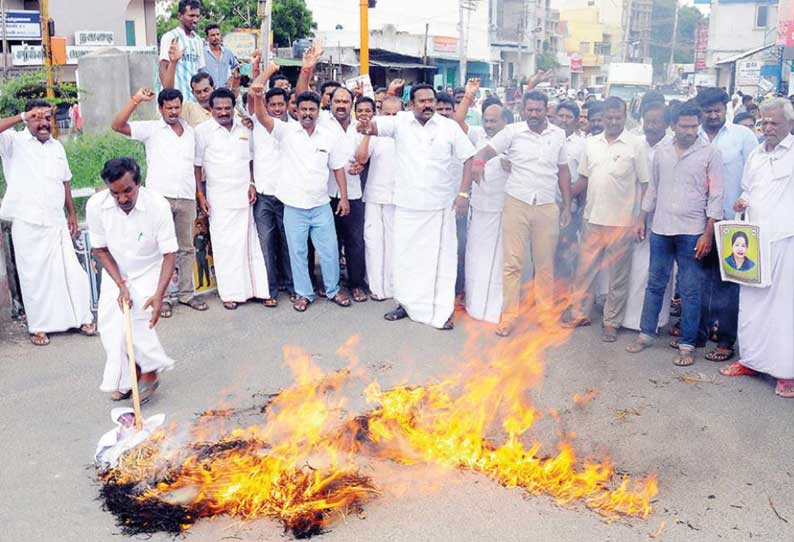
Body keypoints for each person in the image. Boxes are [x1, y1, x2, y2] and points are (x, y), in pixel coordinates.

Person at [356, 84, 476, 330]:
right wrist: (365, 126)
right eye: (421, 101)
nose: (427, 105)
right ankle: (406, 304)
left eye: (430, 100)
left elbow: (469, 158)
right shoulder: (400, 122)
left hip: (439, 206)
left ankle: (441, 312)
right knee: (406, 259)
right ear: (411, 105)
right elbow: (374, 126)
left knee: (439, 261)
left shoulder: (449, 127)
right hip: (407, 205)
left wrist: (463, 192)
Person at [627, 101, 724, 367]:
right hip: (661, 229)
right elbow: (653, 189)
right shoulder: (662, 151)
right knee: (655, 284)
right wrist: (641, 219)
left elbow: (716, 196)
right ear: (673, 126)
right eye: (684, 126)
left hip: (693, 233)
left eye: (694, 126)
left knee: (691, 290)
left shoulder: (710, 153)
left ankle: (687, 344)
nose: (690, 131)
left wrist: (708, 234)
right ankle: (646, 334)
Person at [470, 90, 571, 337]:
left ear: (547, 109)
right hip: (517, 204)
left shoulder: (558, 135)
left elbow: (564, 171)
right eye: (530, 110)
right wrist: (479, 163)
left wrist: (567, 205)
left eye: (538, 110)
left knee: (545, 265)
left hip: (547, 206)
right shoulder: (513, 132)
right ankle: (509, 317)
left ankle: (545, 316)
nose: (534, 114)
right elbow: (485, 151)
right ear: (524, 110)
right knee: (512, 264)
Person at [250, 68, 352, 311]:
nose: (307, 113)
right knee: (297, 253)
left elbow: (337, 169)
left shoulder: (328, 136)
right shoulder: (286, 132)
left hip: (320, 205)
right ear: (296, 111)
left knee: (328, 252)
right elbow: (263, 117)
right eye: (303, 109)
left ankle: (333, 290)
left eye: (312, 109)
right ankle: (304, 294)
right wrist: (256, 95)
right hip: (293, 206)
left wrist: (344, 198)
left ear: (318, 112)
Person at [0, 99, 95, 346]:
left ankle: (81, 318)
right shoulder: (13, 141)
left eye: (47, 118)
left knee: (71, 273)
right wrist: (23, 116)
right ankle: (39, 327)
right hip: (27, 221)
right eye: (37, 118)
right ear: (28, 119)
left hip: (56, 221)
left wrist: (72, 213)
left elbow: (65, 181)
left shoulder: (56, 148)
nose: (43, 123)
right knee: (35, 278)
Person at [111, 87, 209, 318]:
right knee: (158, 250)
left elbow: (196, 167)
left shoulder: (191, 132)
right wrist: (135, 100)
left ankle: (187, 293)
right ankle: (161, 298)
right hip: (159, 198)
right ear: (161, 108)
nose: (174, 111)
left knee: (186, 248)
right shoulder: (152, 129)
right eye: (169, 108)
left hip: (185, 197)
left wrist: (199, 194)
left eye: (177, 107)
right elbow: (117, 125)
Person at [86, 158, 177, 403]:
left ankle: (149, 373)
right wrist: (120, 285)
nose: (123, 198)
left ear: (138, 183)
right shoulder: (96, 205)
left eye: (128, 191)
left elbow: (169, 253)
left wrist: (159, 295)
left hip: (149, 267)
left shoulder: (158, 205)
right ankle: (128, 379)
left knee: (137, 314)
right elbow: (100, 249)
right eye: (116, 193)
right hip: (115, 270)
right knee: (111, 328)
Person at [721, 97, 794, 398]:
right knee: (749, 304)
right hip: (752, 242)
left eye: (775, 122)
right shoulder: (755, 155)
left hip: (785, 241)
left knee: (783, 309)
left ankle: (785, 373)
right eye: (764, 122)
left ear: (789, 123)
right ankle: (750, 360)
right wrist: (742, 202)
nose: (768, 127)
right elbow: (748, 190)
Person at [563, 97, 649, 342]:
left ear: (624, 117)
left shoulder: (635, 145)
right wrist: (565, 201)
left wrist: (640, 218)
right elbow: (583, 180)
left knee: (618, 276)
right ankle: (579, 313)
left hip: (622, 223)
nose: (613, 122)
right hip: (592, 219)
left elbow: (645, 185)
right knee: (584, 270)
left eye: (617, 118)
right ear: (603, 117)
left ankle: (612, 322)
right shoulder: (591, 144)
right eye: (609, 117)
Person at [693, 87, 758, 362]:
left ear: (725, 109)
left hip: (733, 223)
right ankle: (699, 332)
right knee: (700, 279)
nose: (713, 115)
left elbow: (755, 174)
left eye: (717, 110)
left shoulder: (743, 137)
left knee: (729, 282)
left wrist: (746, 203)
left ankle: (726, 341)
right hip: (698, 221)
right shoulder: (690, 135)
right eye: (707, 111)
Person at [194, 88, 270, 310]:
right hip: (218, 197)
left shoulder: (244, 127)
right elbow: (197, 167)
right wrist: (200, 194)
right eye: (219, 108)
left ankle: (257, 290)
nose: (224, 112)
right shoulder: (202, 131)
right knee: (224, 246)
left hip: (244, 195)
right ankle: (230, 293)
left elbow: (251, 160)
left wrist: (252, 183)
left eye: (227, 108)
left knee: (249, 244)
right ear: (211, 109)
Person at [622, 100, 673, 332]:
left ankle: (657, 319)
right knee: (634, 268)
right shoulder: (636, 144)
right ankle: (629, 318)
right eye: (647, 121)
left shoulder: (672, 146)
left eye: (656, 122)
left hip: (663, 218)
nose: (651, 126)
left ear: (666, 124)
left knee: (658, 270)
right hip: (635, 214)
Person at [319, 87, 368, 303]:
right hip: (327, 193)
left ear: (352, 103)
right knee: (330, 243)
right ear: (329, 102)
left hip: (354, 192)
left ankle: (356, 284)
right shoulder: (322, 121)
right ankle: (332, 284)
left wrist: (362, 165)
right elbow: (302, 92)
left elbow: (369, 155)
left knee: (355, 241)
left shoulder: (361, 126)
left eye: (345, 101)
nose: (341, 105)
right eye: (337, 101)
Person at [248, 83, 294, 306]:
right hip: (263, 194)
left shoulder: (294, 128)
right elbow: (248, 158)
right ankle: (270, 290)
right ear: (265, 105)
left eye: (280, 104)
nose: (276, 108)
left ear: (287, 106)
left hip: (287, 195)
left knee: (288, 243)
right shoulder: (255, 123)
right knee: (265, 243)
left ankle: (293, 287)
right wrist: (251, 183)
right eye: (272, 104)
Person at [355, 95, 401, 301]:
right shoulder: (375, 132)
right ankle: (376, 287)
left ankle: (392, 286)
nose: (391, 118)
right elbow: (361, 158)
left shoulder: (408, 133)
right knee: (373, 241)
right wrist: (367, 132)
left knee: (394, 244)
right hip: (374, 194)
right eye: (387, 114)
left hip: (399, 196)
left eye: (395, 114)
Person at [553, 100, 586, 299]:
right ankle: (540, 298)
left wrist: (567, 198)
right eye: (561, 116)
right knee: (542, 255)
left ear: (576, 121)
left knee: (565, 254)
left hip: (569, 208)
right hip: (544, 207)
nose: (564, 120)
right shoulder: (546, 138)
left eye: (569, 117)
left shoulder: (582, 146)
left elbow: (584, 178)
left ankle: (562, 299)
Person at [159, 0, 205, 103]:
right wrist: (168, 96)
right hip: (176, 101)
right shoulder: (170, 37)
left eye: (197, 16)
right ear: (180, 16)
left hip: (194, 101)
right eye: (191, 16)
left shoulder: (198, 40)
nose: (195, 19)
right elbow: (163, 67)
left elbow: (201, 69)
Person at [204, 23, 239, 90]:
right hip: (208, 92)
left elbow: (236, 67)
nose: (216, 37)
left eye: (218, 34)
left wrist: (231, 80)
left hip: (224, 91)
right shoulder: (202, 53)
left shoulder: (227, 52)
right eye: (212, 35)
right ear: (207, 37)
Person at [194, 221, 210, 288]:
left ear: (201, 227)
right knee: (199, 268)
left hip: (203, 252)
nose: (199, 228)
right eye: (197, 227)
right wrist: (195, 255)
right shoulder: (195, 236)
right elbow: (194, 246)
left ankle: (208, 281)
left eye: (200, 227)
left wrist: (206, 254)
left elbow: (207, 245)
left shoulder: (204, 235)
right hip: (198, 253)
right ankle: (201, 284)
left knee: (205, 268)